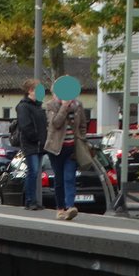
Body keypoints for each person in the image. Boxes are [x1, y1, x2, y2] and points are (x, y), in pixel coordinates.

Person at [45, 90, 89, 221]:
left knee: (69, 178)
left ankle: (70, 207)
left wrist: (81, 139)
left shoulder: (78, 105)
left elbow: (83, 125)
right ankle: (60, 209)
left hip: (72, 148)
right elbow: (56, 123)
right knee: (59, 179)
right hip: (56, 148)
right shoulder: (51, 106)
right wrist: (64, 106)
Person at [14, 78, 49, 211]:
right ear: (30, 91)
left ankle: (33, 200)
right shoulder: (23, 106)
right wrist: (36, 137)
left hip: (39, 144)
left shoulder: (38, 106)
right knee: (33, 172)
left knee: (35, 172)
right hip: (31, 144)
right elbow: (25, 125)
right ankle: (30, 200)